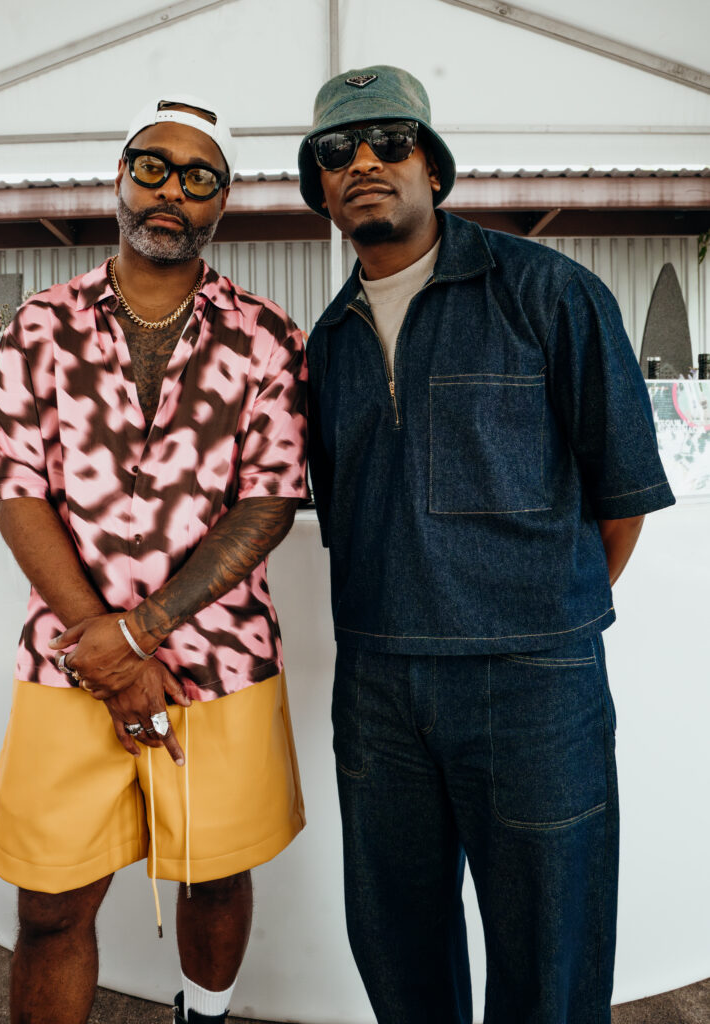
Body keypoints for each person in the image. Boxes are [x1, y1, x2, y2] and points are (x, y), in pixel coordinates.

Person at [298, 66, 675, 1024]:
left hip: (532, 681)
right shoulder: (328, 341)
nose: (364, 164)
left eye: (390, 141)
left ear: (434, 163)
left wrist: (534, 618)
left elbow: (617, 497)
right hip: (377, 684)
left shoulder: (550, 293)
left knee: (549, 954)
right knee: (397, 947)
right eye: (336, 153)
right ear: (320, 187)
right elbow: (343, 514)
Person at [0, 92, 308, 1024]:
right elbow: (17, 490)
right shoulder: (36, 325)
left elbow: (269, 497)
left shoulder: (266, 336)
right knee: (50, 906)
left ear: (224, 201)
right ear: (120, 179)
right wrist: (109, 648)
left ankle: (200, 1019)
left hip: (221, 662)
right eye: (152, 167)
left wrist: (143, 631)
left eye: (199, 177)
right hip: (70, 662)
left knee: (215, 876)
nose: (172, 191)